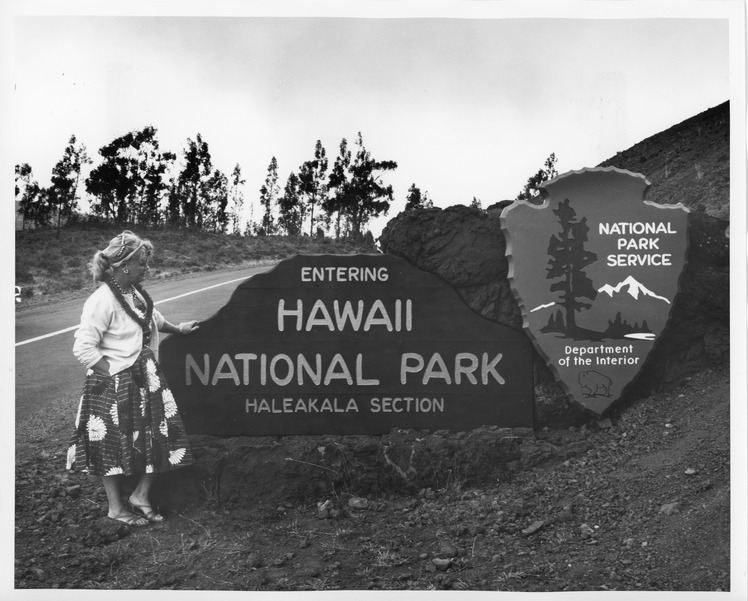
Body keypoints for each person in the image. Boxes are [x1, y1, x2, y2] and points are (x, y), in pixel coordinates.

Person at [67, 230, 199, 527]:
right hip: (113, 382)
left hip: (145, 380)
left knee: (159, 436)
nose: (147, 267)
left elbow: (152, 319)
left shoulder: (133, 293)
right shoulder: (102, 300)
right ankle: (116, 507)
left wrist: (179, 329)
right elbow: (83, 347)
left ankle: (140, 495)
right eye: (142, 262)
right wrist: (114, 376)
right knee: (111, 445)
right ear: (124, 266)